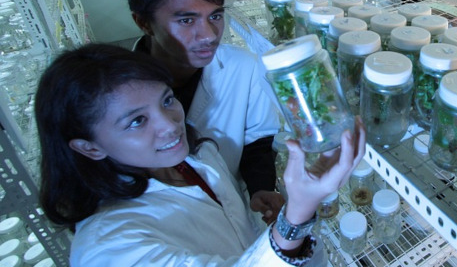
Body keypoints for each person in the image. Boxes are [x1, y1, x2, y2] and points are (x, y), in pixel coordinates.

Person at [35, 44, 366, 266]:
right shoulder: (108, 249)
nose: (171, 124)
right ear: (90, 147)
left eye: (166, 100)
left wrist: (276, 216)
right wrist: (295, 217)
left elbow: (241, 245)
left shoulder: (195, 158)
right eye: (137, 120)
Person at [122, 0, 282, 212]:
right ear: (144, 22)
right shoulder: (117, 96)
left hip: (233, 211)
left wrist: (260, 188)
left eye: (216, 16)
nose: (208, 35)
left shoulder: (244, 67)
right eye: (186, 20)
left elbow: (257, 140)